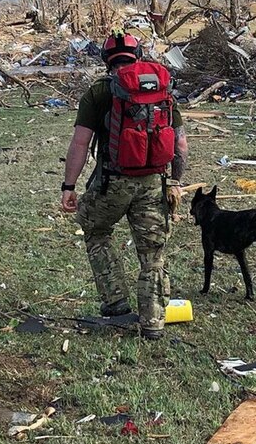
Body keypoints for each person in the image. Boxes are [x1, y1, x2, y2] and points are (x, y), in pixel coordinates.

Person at [60, 32, 188, 340]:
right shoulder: (160, 86)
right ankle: (154, 323)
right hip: (153, 184)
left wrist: (69, 185)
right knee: (153, 254)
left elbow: (80, 144)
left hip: (112, 183)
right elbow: (181, 144)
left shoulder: (100, 92)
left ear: (106, 60)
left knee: (95, 230)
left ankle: (115, 302)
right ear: (138, 55)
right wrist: (175, 182)